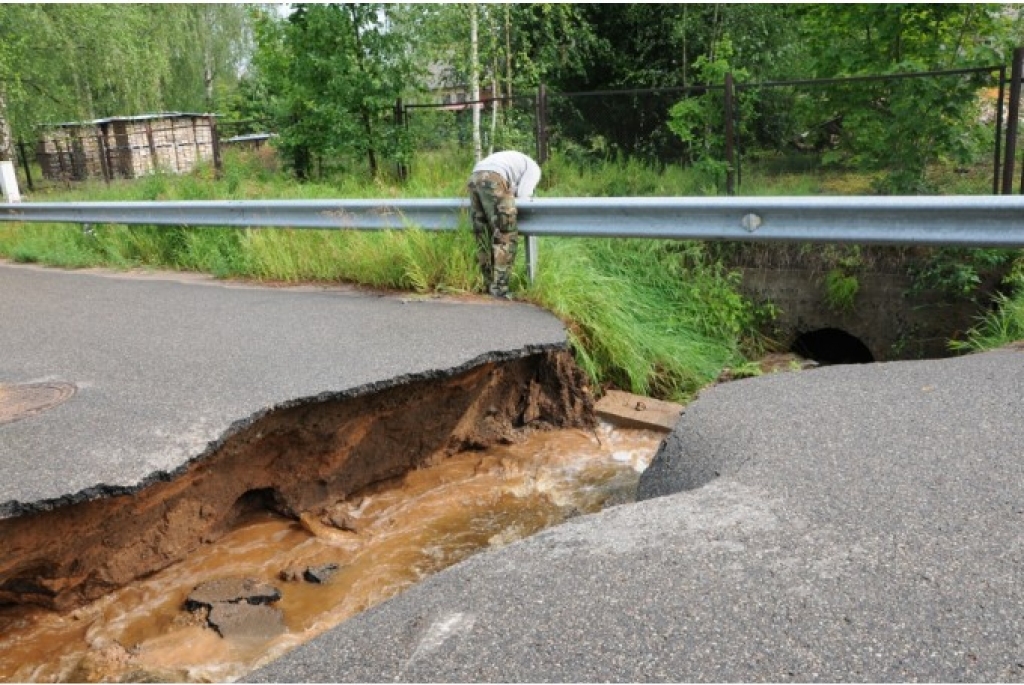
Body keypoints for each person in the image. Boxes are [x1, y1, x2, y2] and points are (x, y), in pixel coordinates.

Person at [467, 150, 541, 298]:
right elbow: (524, 194)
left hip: (474, 176)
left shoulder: (516, 159)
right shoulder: (534, 169)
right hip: (494, 177)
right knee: (505, 235)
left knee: (483, 233)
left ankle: (486, 283)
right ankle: (500, 289)